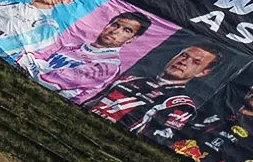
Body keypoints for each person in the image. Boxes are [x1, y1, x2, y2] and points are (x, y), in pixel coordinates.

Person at [19, 10, 154, 102]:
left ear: (131, 39)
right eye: (115, 25)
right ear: (107, 25)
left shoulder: (108, 66)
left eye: (126, 30)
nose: (115, 31)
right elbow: (34, 54)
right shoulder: (74, 45)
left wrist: (30, 64)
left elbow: (54, 81)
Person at [89, 44, 219, 137]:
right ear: (174, 56)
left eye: (195, 62)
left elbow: (160, 137)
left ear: (203, 73)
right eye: (183, 55)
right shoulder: (129, 79)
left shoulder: (182, 104)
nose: (183, 62)